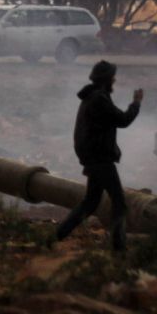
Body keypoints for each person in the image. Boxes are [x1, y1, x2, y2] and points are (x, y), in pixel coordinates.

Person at [55, 60, 143, 252]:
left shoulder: (92, 97)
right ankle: (118, 249)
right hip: (100, 159)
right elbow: (123, 120)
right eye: (112, 76)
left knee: (91, 202)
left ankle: (56, 235)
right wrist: (136, 103)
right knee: (119, 204)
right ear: (106, 79)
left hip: (93, 157)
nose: (115, 79)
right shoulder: (99, 100)